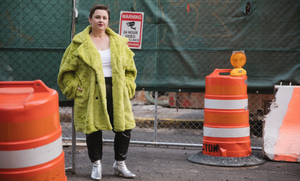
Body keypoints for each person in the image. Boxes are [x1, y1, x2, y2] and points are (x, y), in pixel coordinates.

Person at [57, 4, 137, 180]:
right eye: (97, 17)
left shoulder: (119, 43)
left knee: (124, 127)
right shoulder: (79, 43)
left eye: (104, 18)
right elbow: (65, 71)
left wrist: (128, 86)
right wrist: (75, 87)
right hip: (91, 91)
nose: (101, 20)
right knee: (92, 128)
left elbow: (131, 70)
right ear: (90, 19)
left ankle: (120, 164)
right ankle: (96, 165)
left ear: (108, 21)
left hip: (117, 91)